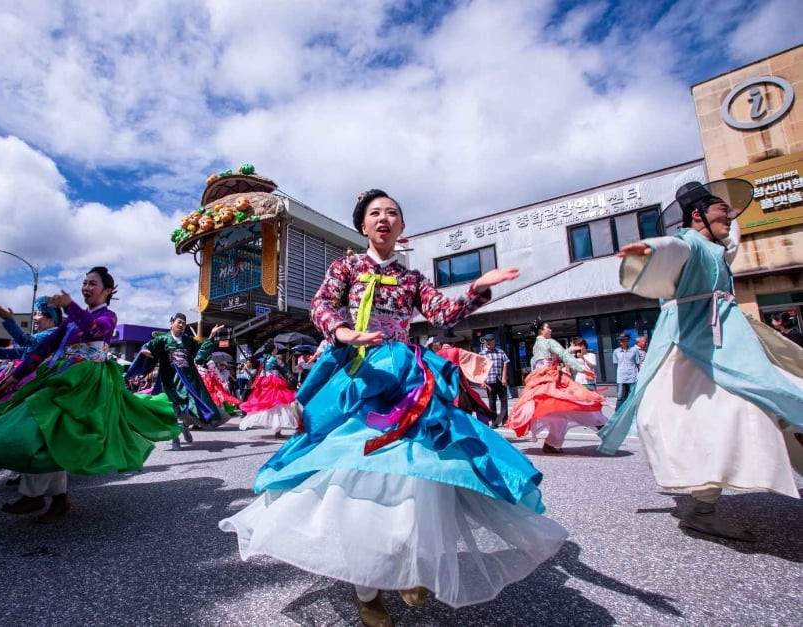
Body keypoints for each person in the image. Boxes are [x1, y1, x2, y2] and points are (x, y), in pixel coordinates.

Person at [220, 189, 566, 625]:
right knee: (357, 469)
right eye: (375, 213)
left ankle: (407, 562)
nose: (384, 219)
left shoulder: (412, 277)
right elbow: (322, 304)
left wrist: (477, 288)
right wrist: (343, 332)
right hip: (359, 371)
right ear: (363, 225)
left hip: (406, 376)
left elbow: (442, 313)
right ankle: (366, 589)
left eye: (392, 213)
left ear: (402, 227)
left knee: (418, 468)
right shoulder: (346, 267)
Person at [598, 179, 803, 542]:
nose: (730, 216)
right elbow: (672, 248)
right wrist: (648, 251)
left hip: (729, 345)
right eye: (723, 211)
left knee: (776, 399)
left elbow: (731, 240)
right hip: (695, 347)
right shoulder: (690, 242)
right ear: (698, 216)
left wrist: (725, 219)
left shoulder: (716, 248)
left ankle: (705, 507)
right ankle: (703, 510)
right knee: (732, 415)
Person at [0, 267, 182, 521]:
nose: (86, 287)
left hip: (86, 382)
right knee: (52, 433)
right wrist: (17, 375)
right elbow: (42, 348)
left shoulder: (108, 317)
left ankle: (34, 495)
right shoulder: (70, 321)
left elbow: (94, 330)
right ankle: (58, 500)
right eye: (84, 282)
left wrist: (70, 307)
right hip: (61, 374)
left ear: (107, 291)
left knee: (44, 427)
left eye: (92, 283)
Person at [508, 319, 605, 454]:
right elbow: (563, 355)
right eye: (548, 328)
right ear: (541, 330)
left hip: (539, 379)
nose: (550, 330)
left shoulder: (535, 345)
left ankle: (551, 444)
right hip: (551, 378)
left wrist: (568, 351)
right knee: (574, 401)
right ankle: (600, 424)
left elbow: (542, 360)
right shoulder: (549, 342)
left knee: (557, 415)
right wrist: (583, 369)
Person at [131, 315, 227, 450]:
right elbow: (149, 345)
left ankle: (185, 427)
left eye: (184, 323)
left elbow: (200, 350)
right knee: (172, 408)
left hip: (188, 379)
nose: (182, 325)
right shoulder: (163, 339)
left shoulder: (188, 341)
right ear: (171, 323)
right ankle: (175, 438)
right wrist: (145, 350)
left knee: (191, 406)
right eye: (179, 322)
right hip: (169, 380)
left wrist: (211, 335)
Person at [238, 340, 298, 438]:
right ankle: (277, 431)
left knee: (269, 405)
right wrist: (295, 380)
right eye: (276, 347)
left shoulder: (264, 360)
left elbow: (261, 373)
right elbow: (286, 371)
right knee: (278, 405)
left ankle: (277, 430)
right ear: (273, 349)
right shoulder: (276, 359)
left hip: (266, 382)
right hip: (275, 382)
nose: (277, 348)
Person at [480, 333, 510, 428]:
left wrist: (504, 377)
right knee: (492, 402)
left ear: (494, 341)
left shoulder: (500, 352)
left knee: (504, 401)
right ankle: (494, 421)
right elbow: (480, 369)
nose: (488, 342)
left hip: (500, 380)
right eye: (486, 341)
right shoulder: (482, 354)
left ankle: (505, 420)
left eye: (490, 340)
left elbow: (506, 362)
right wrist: (482, 381)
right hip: (489, 381)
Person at [612, 334, 639, 406]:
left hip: (632, 376)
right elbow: (616, 363)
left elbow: (637, 363)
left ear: (628, 340)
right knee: (620, 396)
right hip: (621, 377)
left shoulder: (634, 350)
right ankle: (619, 411)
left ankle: (632, 410)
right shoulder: (616, 351)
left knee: (632, 395)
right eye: (620, 340)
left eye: (623, 339)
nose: (621, 341)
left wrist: (638, 375)